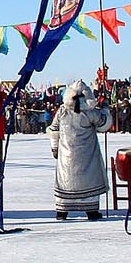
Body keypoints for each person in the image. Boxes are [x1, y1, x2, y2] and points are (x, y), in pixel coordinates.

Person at [47, 80, 110, 220]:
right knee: (88, 180)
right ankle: (91, 211)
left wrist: (54, 148)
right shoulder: (90, 112)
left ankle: (62, 211)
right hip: (87, 155)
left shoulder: (62, 111)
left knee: (66, 180)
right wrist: (105, 108)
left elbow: (54, 130)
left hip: (66, 155)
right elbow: (104, 125)